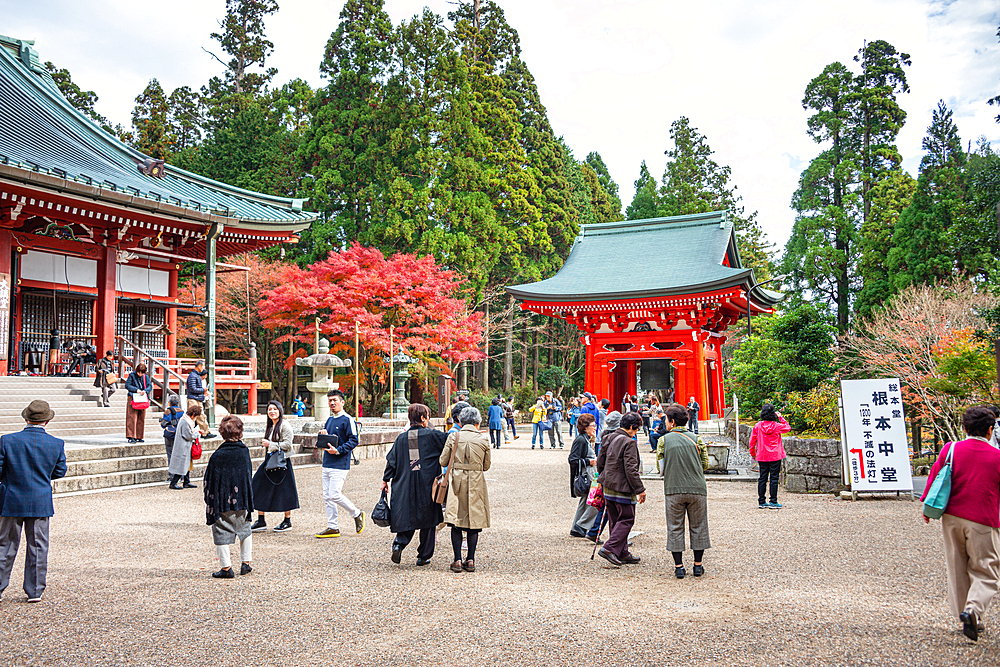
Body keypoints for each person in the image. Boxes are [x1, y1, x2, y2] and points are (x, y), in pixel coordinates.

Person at [920, 405, 1000, 641]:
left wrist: (926, 506)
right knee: (986, 569)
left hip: (951, 517)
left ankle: (964, 615)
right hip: (983, 518)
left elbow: (935, 477)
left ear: (964, 428)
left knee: (957, 567)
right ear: (990, 430)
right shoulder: (997, 457)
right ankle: (972, 610)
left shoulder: (951, 449)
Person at [0, 400, 67, 602]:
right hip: (39, 498)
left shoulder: (7, 440)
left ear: (26, 418)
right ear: (46, 421)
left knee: (5, 545)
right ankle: (35, 590)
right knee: (38, 546)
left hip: (11, 497)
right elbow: (59, 471)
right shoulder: (56, 443)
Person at [382, 404, 448, 566]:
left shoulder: (401, 438)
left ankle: (399, 543)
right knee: (429, 519)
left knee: (407, 516)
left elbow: (392, 461)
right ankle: (423, 556)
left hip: (405, 484)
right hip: (427, 484)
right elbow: (451, 443)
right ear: (423, 418)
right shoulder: (433, 436)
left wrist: (385, 480)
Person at [658, 403, 711, 579]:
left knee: (675, 527)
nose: (665, 422)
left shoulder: (663, 440)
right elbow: (705, 464)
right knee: (698, 526)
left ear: (672, 422)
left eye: (666, 419)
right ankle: (697, 566)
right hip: (697, 489)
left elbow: (661, 468)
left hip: (673, 489)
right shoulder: (697, 439)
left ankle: (679, 567)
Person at [440, 406, 491, 573]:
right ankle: (471, 560)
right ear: (477, 422)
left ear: (460, 421)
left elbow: (443, 461)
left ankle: (457, 560)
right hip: (476, 481)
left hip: (456, 481)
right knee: (473, 522)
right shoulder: (483, 440)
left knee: (456, 521)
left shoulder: (454, 436)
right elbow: (486, 466)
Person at [203, 415, 254, 578]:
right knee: (245, 529)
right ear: (240, 432)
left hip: (222, 500)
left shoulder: (218, 456)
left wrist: (210, 500)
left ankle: (226, 568)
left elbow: (209, 480)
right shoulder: (244, 451)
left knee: (221, 531)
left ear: (222, 433)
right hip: (242, 499)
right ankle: (246, 563)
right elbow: (247, 476)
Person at [596, 412, 646, 567]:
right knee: (626, 518)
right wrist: (640, 489)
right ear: (632, 427)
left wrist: (603, 477)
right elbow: (631, 470)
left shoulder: (608, 437)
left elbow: (600, 461)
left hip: (608, 484)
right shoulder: (629, 443)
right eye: (636, 429)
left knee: (615, 520)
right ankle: (610, 548)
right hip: (622, 487)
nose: (636, 432)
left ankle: (622, 552)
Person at [315, 390, 364, 538]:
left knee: (334, 494)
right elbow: (331, 439)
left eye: (335, 400)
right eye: (330, 400)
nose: (332, 403)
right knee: (327, 496)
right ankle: (333, 526)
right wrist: (323, 436)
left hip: (340, 462)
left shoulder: (347, 419)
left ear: (342, 402)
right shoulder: (329, 420)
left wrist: (338, 451)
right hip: (327, 461)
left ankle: (356, 513)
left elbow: (354, 440)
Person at [250, 401, 298, 533]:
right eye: (269, 409)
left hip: (282, 461)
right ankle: (261, 520)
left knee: (285, 490)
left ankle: (287, 521)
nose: (272, 411)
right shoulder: (272, 425)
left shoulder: (285, 425)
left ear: (280, 410)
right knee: (258, 486)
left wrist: (270, 444)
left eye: (274, 409)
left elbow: (288, 444)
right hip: (270, 460)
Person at [587, 410, 623, 544]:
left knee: (607, 506)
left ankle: (595, 531)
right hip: (614, 476)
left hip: (605, 475)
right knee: (615, 507)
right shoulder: (618, 438)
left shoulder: (605, 437)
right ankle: (616, 538)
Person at [749, 404, 792, 509]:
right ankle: (773, 501)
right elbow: (788, 427)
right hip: (775, 456)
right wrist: (781, 417)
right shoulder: (777, 426)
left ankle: (761, 501)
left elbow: (752, 441)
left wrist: (753, 454)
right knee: (774, 478)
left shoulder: (758, 426)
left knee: (762, 478)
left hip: (762, 455)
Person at [568, 413, 598, 538]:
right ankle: (582, 526)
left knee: (585, 501)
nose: (595, 427)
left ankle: (577, 528)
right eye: (592, 425)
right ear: (585, 427)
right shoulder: (581, 440)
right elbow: (572, 459)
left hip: (588, 475)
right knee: (595, 500)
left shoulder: (586, 439)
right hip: (585, 476)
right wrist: (588, 461)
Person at [167, 403, 201, 489]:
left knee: (187, 464)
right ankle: (173, 483)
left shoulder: (185, 419)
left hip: (184, 446)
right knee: (181, 465)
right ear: (193, 414)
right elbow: (188, 435)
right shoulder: (185, 422)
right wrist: (196, 433)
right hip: (183, 446)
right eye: (196, 416)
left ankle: (186, 481)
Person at [124, 363, 153, 444]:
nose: (140, 374)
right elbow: (127, 385)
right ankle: (131, 436)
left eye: (142, 373)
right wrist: (136, 390)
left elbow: (149, 386)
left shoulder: (145, 377)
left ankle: (139, 436)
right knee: (132, 417)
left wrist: (145, 391)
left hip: (142, 398)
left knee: (141, 417)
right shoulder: (132, 375)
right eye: (139, 372)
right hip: (133, 397)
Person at [185, 361, 215, 438]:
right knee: (192, 416)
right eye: (203, 366)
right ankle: (189, 432)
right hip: (193, 398)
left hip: (197, 398)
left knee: (201, 416)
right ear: (199, 366)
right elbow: (192, 389)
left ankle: (205, 432)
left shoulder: (196, 375)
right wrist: (203, 390)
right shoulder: (192, 376)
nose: (203, 368)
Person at [159, 394, 184, 469]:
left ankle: (172, 475)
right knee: (179, 455)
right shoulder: (182, 411)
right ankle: (181, 475)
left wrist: (161, 422)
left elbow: (164, 424)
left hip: (170, 435)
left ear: (169, 402)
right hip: (179, 434)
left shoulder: (168, 411)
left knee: (170, 454)